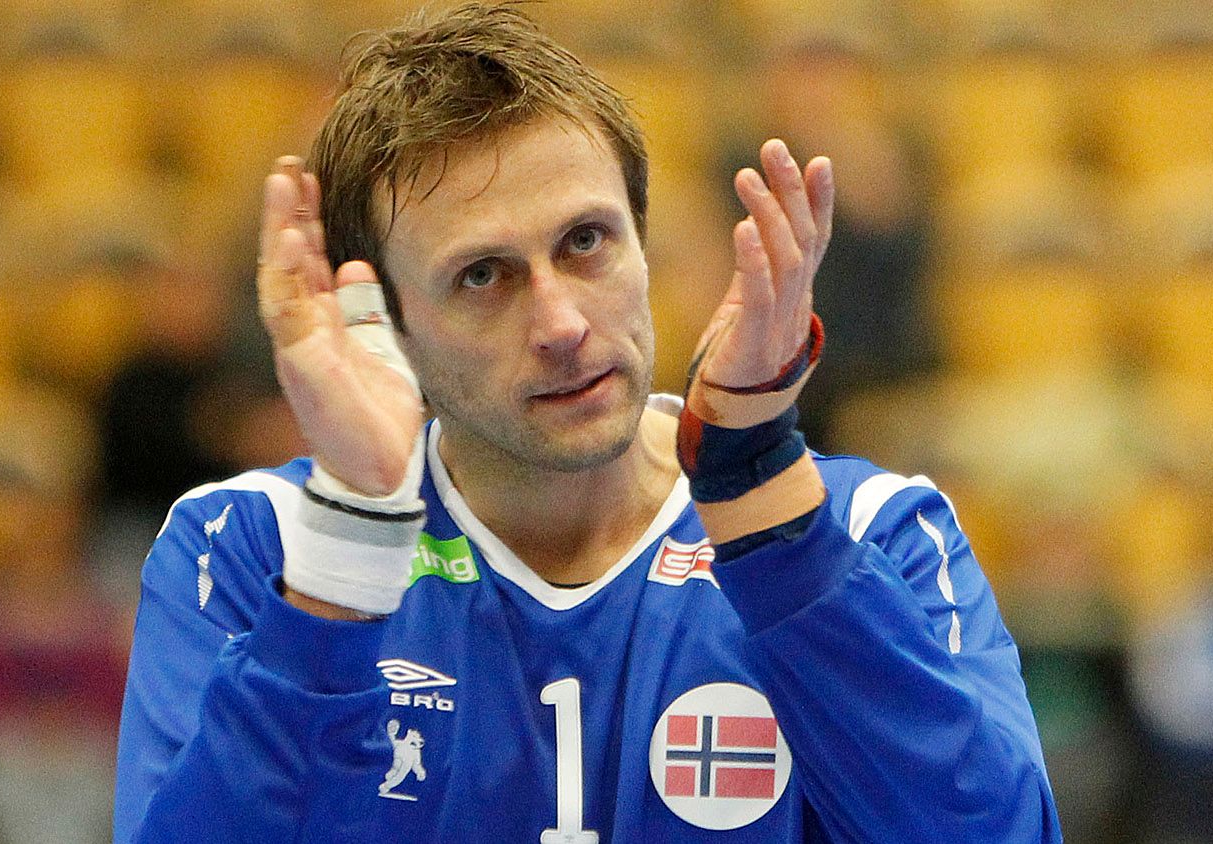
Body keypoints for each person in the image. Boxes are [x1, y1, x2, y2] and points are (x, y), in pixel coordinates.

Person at [113, 5, 1061, 842]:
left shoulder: (867, 533)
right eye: (482, 276)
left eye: (586, 241)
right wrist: (347, 554)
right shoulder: (253, 550)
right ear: (390, 326)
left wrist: (760, 496)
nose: (562, 324)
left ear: (645, 246)